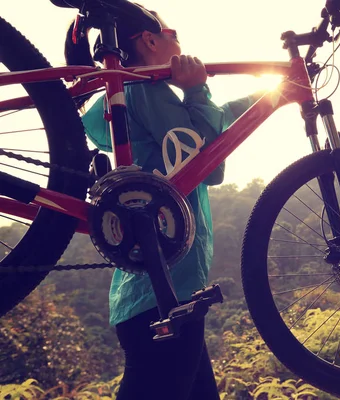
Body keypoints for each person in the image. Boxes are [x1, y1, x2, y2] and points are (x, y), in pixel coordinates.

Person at [64, 5, 260, 400]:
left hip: (153, 292)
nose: (180, 42)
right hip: (164, 293)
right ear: (149, 40)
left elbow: (197, 130)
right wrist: (195, 89)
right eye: (174, 34)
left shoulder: (122, 101)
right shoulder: (145, 90)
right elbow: (205, 164)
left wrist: (261, 97)